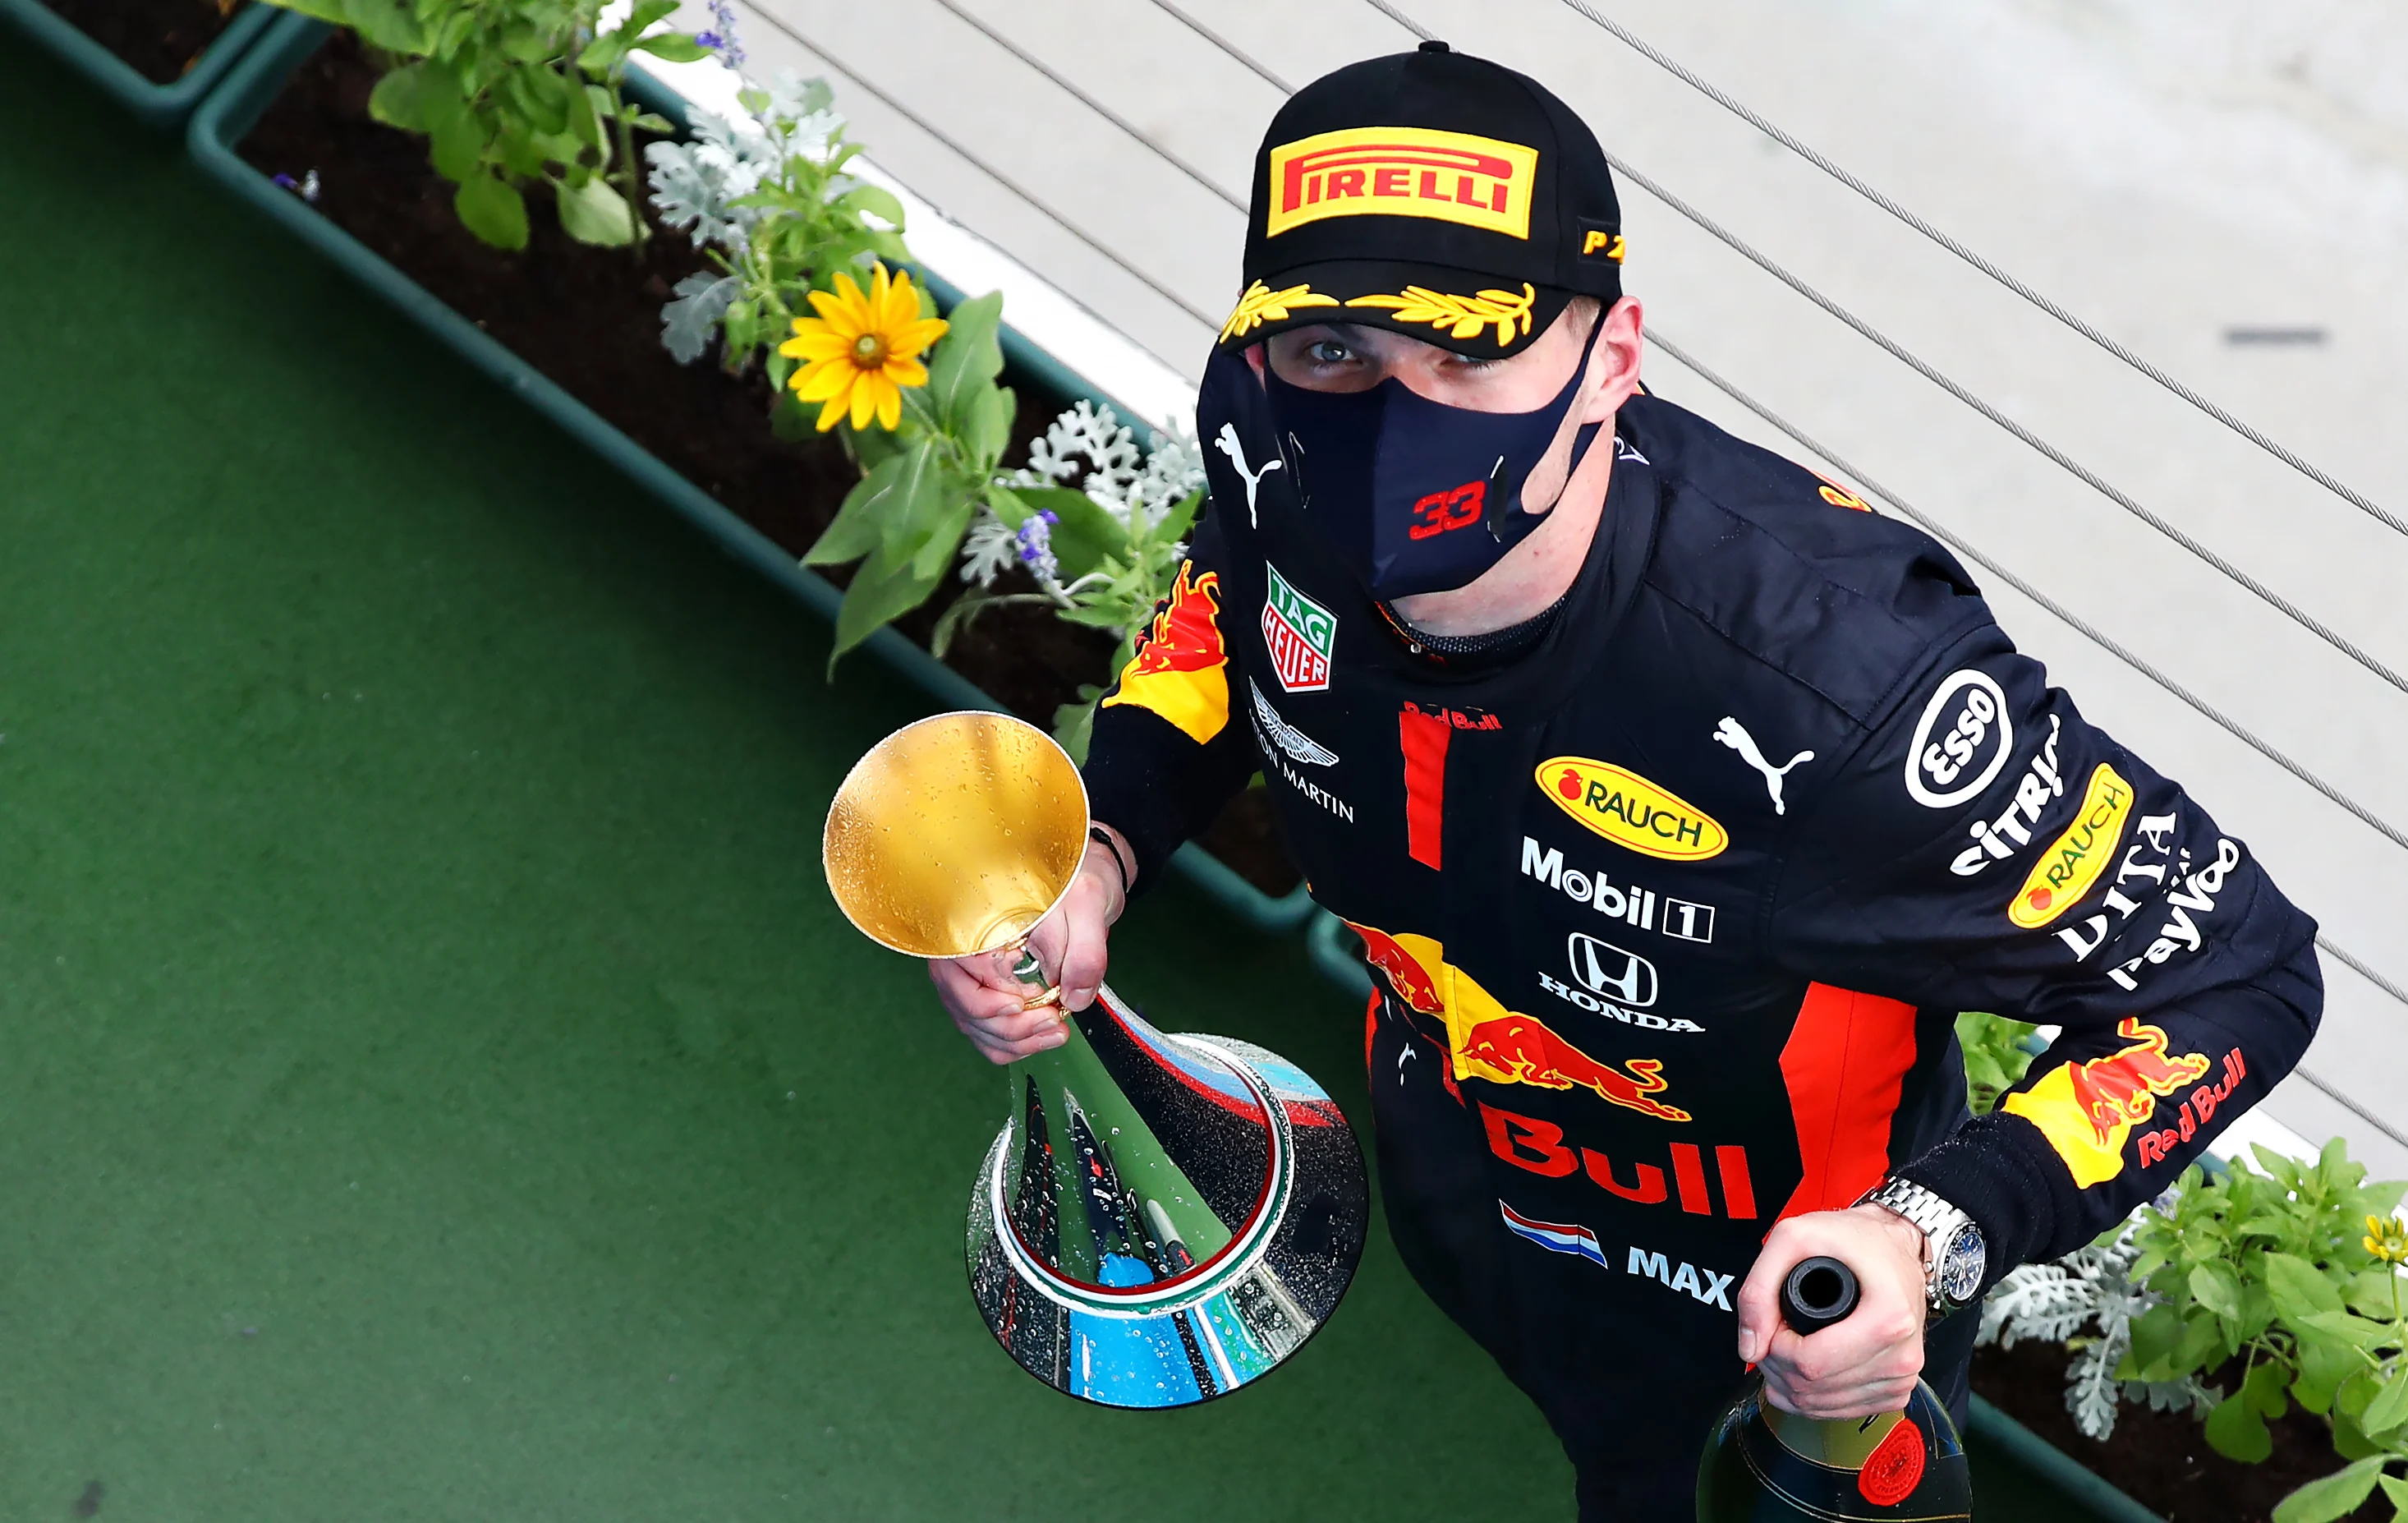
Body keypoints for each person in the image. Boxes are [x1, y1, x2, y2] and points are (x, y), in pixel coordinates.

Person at [928, 40, 2321, 1520]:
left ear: (1613, 353)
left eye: (1469, 350)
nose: (1395, 419)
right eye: (1338, 350)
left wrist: (1932, 1232)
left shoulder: (1841, 686)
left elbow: (2241, 972)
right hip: (1458, 1152)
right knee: (1555, 1384)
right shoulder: (1285, 472)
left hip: (1763, 1296)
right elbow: (1228, 614)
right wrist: (1105, 847)